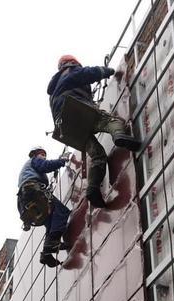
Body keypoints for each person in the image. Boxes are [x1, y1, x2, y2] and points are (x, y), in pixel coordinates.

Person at [47, 54, 142, 208]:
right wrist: (106, 71)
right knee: (111, 121)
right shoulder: (69, 70)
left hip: (65, 126)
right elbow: (86, 74)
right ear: (71, 62)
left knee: (97, 154)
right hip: (75, 108)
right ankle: (118, 136)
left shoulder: (53, 90)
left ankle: (92, 189)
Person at [17, 146, 71, 267]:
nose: (44, 156)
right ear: (35, 154)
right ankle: (52, 243)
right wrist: (61, 161)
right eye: (42, 154)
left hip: (25, 198)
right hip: (33, 191)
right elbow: (45, 166)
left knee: (50, 221)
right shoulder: (34, 161)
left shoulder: (27, 170)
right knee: (61, 211)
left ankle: (46, 254)